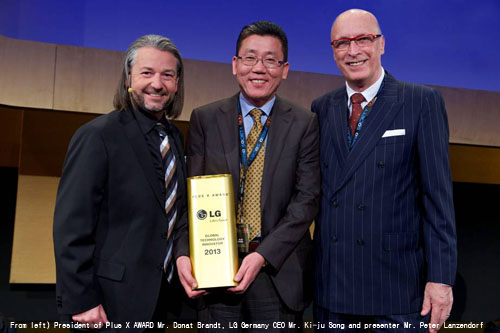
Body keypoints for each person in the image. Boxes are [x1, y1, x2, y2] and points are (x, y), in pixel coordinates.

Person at [312, 9, 457, 332]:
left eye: (363, 39)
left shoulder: (421, 102)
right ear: (333, 51)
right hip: (333, 290)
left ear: (381, 44)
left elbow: (438, 201)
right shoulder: (321, 108)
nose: (353, 51)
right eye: (342, 43)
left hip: (396, 290)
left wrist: (441, 278)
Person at [176, 21, 320, 331]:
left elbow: (306, 200)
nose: (259, 68)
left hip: (276, 274)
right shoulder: (205, 119)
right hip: (215, 270)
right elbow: (192, 197)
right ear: (234, 64)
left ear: (284, 69)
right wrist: (183, 252)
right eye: (250, 58)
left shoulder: (305, 123)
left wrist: (262, 256)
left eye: (271, 60)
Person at [53, 34, 188, 330]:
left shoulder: (174, 138)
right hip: (103, 306)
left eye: (167, 75)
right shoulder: (98, 136)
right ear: (128, 77)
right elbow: (70, 228)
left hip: (160, 302)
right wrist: (81, 300)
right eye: (147, 73)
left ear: (177, 84)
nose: (157, 83)